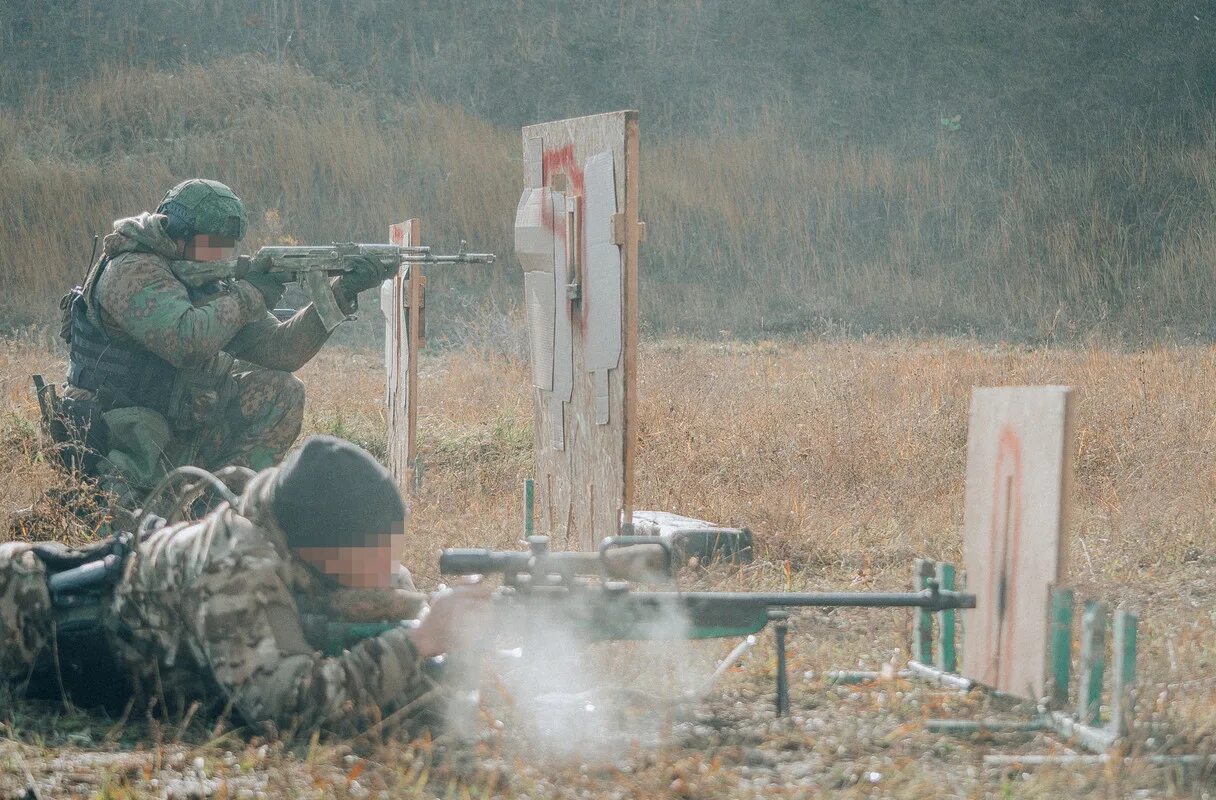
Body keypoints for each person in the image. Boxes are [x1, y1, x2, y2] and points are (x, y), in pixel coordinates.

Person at [0, 435, 488, 736]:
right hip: (22, 623)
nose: (392, 568)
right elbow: (285, 711)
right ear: (325, 551)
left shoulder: (297, 529)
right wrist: (418, 641)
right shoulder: (239, 570)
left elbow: (356, 608)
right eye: (378, 555)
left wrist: (439, 615)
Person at [55, 179, 384, 501]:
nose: (220, 255)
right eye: (212, 244)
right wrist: (250, 294)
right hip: (121, 435)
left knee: (283, 390)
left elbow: (282, 349)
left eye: (228, 245)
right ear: (178, 232)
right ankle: (153, 504)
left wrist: (341, 292)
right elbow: (186, 341)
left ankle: (220, 507)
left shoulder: (209, 280)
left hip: (179, 421)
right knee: (123, 521)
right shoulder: (131, 269)